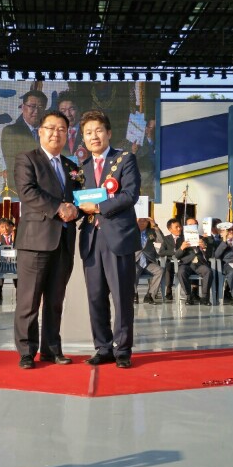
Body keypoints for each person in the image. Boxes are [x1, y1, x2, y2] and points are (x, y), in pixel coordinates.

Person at [12, 110, 80, 369]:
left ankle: (52, 349)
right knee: (29, 301)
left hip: (64, 240)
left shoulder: (71, 167)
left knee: (55, 300)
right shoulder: (27, 159)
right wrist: (58, 207)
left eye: (62, 129)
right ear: (40, 132)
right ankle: (26, 352)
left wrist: (78, 209)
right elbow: (27, 192)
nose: (56, 133)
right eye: (51, 128)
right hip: (35, 241)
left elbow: (79, 198)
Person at [77, 110, 141, 369]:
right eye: (88, 133)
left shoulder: (125, 159)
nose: (94, 136)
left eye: (98, 131)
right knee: (95, 297)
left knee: (122, 298)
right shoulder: (81, 169)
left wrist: (98, 208)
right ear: (83, 138)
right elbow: (78, 202)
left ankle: (122, 349)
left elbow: (130, 194)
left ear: (109, 133)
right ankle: (103, 348)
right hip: (91, 239)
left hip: (118, 238)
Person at [1, 90, 47, 191]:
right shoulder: (11, 131)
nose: (36, 111)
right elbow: (14, 163)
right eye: (32, 106)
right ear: (23, 107)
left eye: (40, 107)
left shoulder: (49, 132)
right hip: (20, 190)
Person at [169, 217, 213, 305]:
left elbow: (210, 255)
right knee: (181, 272)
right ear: (185, 227)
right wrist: (182, 248)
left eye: (194, 225)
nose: (192, 226)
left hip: (200, 264)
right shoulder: (180, 239)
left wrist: (204, 247)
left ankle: (205, 297)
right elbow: (176, 256)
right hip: (186, 264)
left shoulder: (203, 238)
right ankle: (189, 296)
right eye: (190, 225)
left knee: (208, 271)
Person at [134, 218, 164, 305]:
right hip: (135, 261)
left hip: (148, 261)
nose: (142, 223)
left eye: (145, 221)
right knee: (133, 271)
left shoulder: (151, 231)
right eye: (140, 220)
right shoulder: (131, 231)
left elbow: (161, 240)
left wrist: (154, 224)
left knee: (159, 270)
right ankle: (134, 294)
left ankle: (150, 295)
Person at [156, 218, 184, 301]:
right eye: (176, 227)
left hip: (182, 261)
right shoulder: (166, 239)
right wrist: (174, 251)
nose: (179, 228)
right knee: (168, 268)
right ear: (170, 229)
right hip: (170, 261)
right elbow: (161, 252)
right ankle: (168, 289)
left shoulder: (184, 238)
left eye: (180, 226)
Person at [57, 91, 85, 160]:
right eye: (63, 111)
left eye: (72, 109)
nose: (68, 114)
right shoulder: (56, 133)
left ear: (79, 110)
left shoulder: (86, 130)